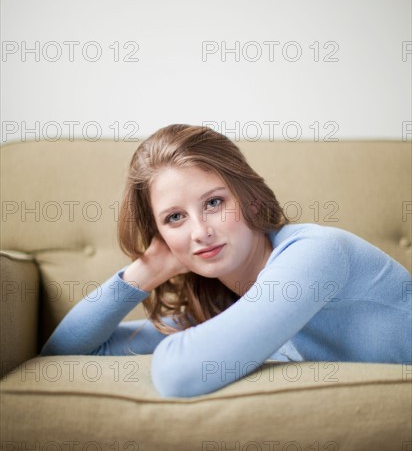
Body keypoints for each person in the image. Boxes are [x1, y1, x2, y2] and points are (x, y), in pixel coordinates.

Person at [40, 124, 412, 398]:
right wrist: (147, 270)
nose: (200, 232)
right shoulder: (226, 305)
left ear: (250, 200)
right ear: (160, 234)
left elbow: (178, 374)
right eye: (175, 218)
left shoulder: (315, 252)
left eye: (214, 203)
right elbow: (66, 353)